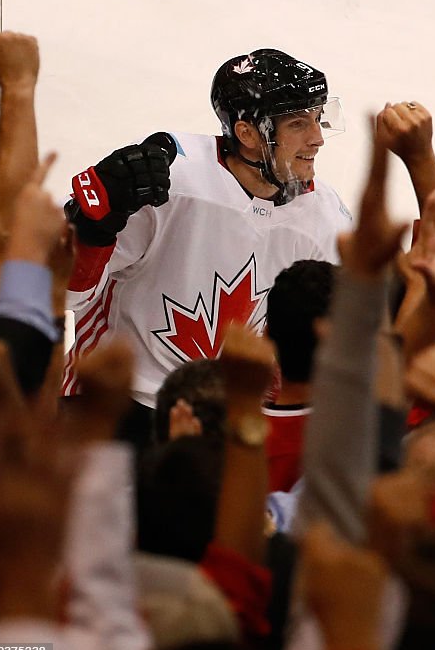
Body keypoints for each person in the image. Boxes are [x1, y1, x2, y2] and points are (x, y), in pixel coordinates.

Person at [60, 49, 354, 446]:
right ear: (248, 133)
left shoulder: (324, 217)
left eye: (319, 119)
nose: (317, 138)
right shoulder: (169, 180)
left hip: (221, 426)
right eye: (299, 123)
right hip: (112, 407)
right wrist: (92, 230)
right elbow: (66, 294)